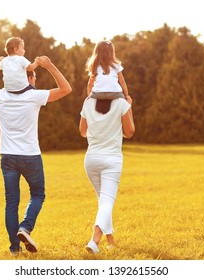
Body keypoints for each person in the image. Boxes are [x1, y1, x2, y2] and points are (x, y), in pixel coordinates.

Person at [0, 55, 72, 256]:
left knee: (11, 202)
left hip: (7, 157)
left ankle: (14, 248)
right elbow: (66, 89)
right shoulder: (34, 96)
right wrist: (51, 65)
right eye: (34, 78)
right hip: (30, 156)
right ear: (28, 78)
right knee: (38, 194)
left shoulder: (1, 96)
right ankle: (25, 228)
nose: (35, 82)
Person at [79, 41, 135, 254]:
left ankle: (111, 242)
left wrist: (90, 102)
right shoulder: (121, 102)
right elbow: (129, 132)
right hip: (111, 160)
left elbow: (82, 132)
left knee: (104, 201)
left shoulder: (88, 102)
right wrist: (128, 103)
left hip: (91, 160)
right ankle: (94, 241)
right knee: (106, 202)